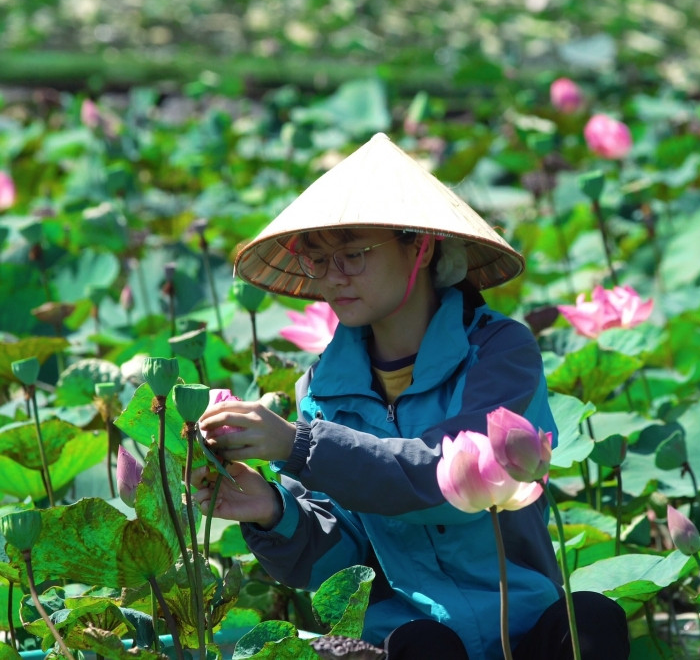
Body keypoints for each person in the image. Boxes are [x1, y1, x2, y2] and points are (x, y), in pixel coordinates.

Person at [190, 132, 630, 660]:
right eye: (320, 261)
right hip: (413, 637)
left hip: (525, 623)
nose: (335, 278)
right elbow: (340, 560)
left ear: (420, 248)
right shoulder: (318, 390)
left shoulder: (499, 352)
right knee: (423, 646)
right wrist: (271, 512)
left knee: (594, 622)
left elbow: (452, 478)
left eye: (353, 255)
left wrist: (300, 447)